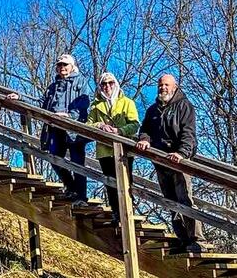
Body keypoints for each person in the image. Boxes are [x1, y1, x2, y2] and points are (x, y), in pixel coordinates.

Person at [136, 74, 206, 253]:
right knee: (170, 202)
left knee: (185, 200)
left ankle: (198, 240)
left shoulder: (184, 106)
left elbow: (188, 133)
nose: (163, 88)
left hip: (179, 161)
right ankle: (183, 239)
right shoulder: (153, 110)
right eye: (160, 85)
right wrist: (144, 140)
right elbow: (145, 129)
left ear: (174, 87)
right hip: (160, 161)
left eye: (166, 85)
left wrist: (182, 153)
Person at [86, 72, 139, 224]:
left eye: (110, 83)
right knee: (110, 183)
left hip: (124, 150)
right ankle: (116, 213)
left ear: (116, 84)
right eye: (104, 84)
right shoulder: (96, 106)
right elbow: (88, 125)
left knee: (126, 182)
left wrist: (119, 131)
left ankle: (128, 213)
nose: (107, 86)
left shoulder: (127, 102)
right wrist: (100, 125)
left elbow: (135, 124)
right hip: (104, 150)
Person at [40, 54, 91, 207]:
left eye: (65, 65)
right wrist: (20, 97)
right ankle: (71, 187)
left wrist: (69, 116)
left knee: (77, 162)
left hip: (74, 129)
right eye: (60, 65)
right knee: (54, 157)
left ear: (72, 66)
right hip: (55, 128)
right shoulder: (53, 86)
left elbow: (85, 102)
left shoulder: (81, 81)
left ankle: (81, 197)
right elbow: (41, 103)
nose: (62, 67)